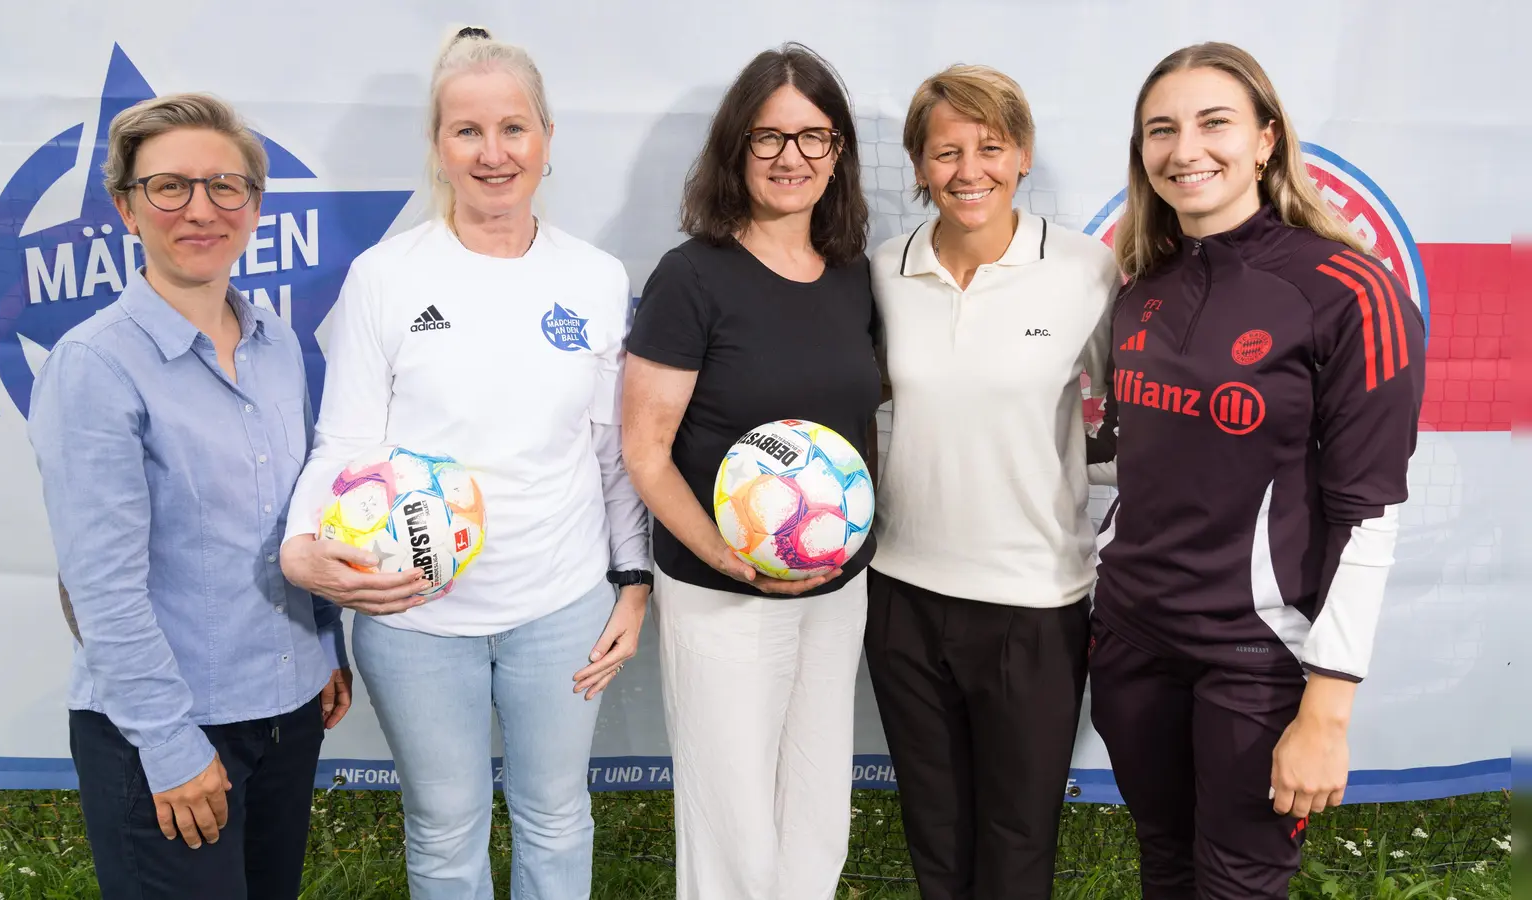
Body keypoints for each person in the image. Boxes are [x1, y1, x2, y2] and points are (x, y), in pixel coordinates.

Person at [278, 26, 651, 900]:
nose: (493, 154)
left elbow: (613, 453)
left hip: (561, 604)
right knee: (444, 826)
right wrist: (303, 548)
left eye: (514, 129)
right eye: (467, 132)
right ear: (438, 148)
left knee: (557, 814)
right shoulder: (384, 276)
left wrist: (631, 584)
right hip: (413, 619)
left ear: (547, 141)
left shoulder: (595, 277)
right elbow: (343, 444)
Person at [1087, 42, 1426, 899]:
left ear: (1267, 138)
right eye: (1160, 130)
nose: (1184, 149)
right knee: (1163, 860)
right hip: (1131, 638)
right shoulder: (1141, 286)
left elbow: (1369, 512)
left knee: (1238, 882)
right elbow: (1130, 465)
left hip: (1257, 655)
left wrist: (1328, 708)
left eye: (1214, 123)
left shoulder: (1351, 289)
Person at [28, 92, 351, 899]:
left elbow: (296, 513)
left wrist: (324, 645)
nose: (200, 209)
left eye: (224, 186)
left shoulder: (277, 345)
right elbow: (101, 588)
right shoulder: (95, 367)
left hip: (287, 711)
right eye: (169, 187)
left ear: (254, 205)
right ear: (126, 209)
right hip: (169, 732)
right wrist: (170, 745)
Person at [621, 42, 879, 900]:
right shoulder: (691, 278)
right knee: (732, 814)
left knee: (815, 801)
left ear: (837, 152)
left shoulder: (850, 276)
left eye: (813, 137)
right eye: (768, 137)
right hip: (724, 590)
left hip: (836, 590)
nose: (791, 158)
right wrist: (730, 557)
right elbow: (645, 453)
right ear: (735, 149)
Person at [863, 64, 1120, 900]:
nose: (968, 171)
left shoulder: (1087, 270)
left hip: (1035, 602)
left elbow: (1134, 417)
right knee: (935, 836)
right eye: (945, 152)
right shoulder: (881, 270)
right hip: (902, 593)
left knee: (1015, 844)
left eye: (990, 147)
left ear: (1024, 155)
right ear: (919, 164)